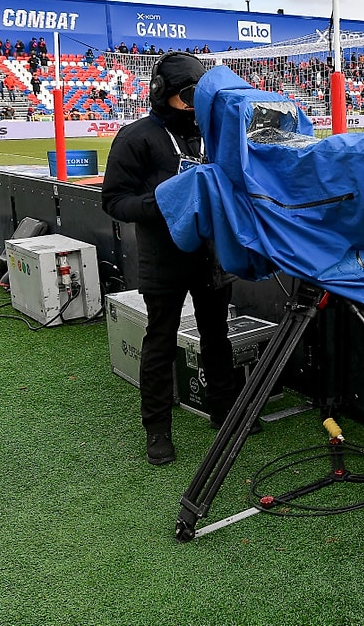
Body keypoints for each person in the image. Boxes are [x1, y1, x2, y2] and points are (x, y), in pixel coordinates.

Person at [101, 52, 245, 466]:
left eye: (199, 95)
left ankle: (224, 410)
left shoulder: (213, 132)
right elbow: (114, 201)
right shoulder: (137, 137)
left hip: (211, 254)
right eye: (187, 95)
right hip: (164, 257)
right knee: (160, 341)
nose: (193, 103)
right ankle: (157, 429)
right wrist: (165, 201)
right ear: (162, 93)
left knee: (216, 333)